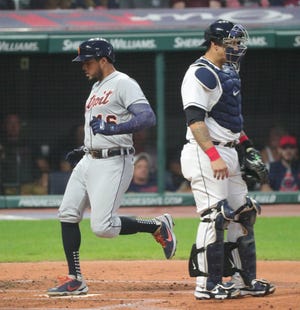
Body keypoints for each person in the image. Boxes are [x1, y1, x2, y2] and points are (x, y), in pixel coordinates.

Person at [47, 38, 177, 296]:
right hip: (89, 160)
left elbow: (147, 117)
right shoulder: (96, 88)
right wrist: (85, 148)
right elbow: (100, 125)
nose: (84, 66)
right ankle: (75, 278)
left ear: (103, 60)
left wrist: (115, 128)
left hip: (114, 161)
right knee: (67, 213)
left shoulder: (123, 83)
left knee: (102, 228)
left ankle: (156, 225)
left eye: (88, 61)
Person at [180, 20, 275, 300]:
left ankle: (243, 279)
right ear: (215, 43)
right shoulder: (200, 73)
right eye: (232, 42)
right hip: (206, 153)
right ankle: (206, 285)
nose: (237, 47)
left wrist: (248, 149)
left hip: (229, 150)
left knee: (243, 213)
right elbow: (195, 120)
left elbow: (230, 120)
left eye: (238, 42)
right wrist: (213, 156)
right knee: (215, 217)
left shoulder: (229, 72)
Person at [0, 113, 34, 194]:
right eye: (10, 123)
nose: (13, 126)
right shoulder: (2, 145)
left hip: (30, 186)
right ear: (4, 126)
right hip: (8, 187)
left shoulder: (29, 144)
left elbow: (43, 166)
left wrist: (44, 176)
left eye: (16, 123)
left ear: (20, 125)